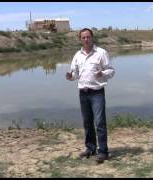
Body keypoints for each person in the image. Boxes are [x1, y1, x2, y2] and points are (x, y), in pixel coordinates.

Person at [66, 28, 115, 164]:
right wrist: (70, 76)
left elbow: (111, 71)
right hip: (83, 93)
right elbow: (75, 74)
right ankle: (91, 148)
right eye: (83, 37)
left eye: (88, 37)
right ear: (80, 39)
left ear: (92, 38)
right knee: (87, 123)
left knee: (99, 123)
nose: (86, 40)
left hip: (97, 92)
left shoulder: (101, 53)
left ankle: (103, 152)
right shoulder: (77, 55)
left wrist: (102, 74)